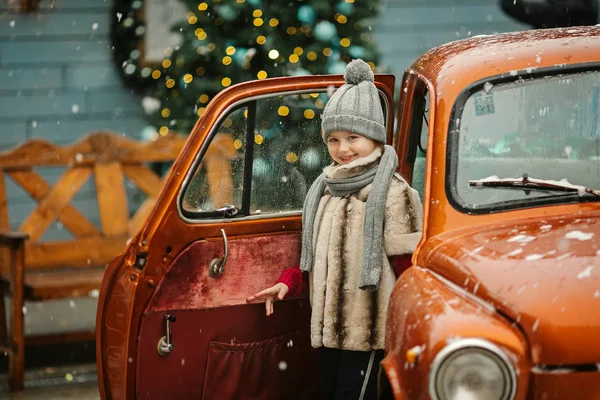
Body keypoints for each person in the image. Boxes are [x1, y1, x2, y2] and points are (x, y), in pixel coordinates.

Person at [246, 59, 423, 400]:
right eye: (334, 139)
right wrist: (289, 283)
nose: (342, 149)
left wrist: (408, 330)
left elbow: (408, 269)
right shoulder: (326, 188)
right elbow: (315, 256)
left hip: (370, 333)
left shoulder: (393, 192)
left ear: (374, 137)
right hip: (328, 332)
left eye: (353, 137)